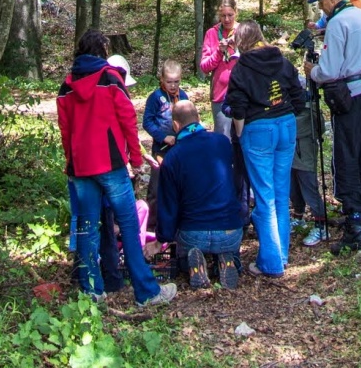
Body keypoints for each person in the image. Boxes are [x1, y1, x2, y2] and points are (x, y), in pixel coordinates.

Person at [57, 28, 177, 308]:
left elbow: (65, 129)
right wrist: (135, 158)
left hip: (81, 166)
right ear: (102, 51)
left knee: (87, 229)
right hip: (110, 163)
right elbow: (127, 120)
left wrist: (70, 160)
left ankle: (91, 292)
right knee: (129, 224)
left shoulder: (67, 85)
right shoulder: (110, 78)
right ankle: (146, 292)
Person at [305, 0, 361, 254]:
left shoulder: (339, 23)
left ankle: (355, 223)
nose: (321, 8)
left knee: (346, 155)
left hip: (350, 95)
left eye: (321, 2)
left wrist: (310, 71)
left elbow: (330, 70)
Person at [226, 21, 305, 278]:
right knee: (281, 194)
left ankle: (271, 263)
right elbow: (298, 95)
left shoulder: (242, 68)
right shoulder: (281, 61)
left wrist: (240, 132)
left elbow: (237, 106)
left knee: (265, 196)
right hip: (286, 125)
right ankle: (281, 254)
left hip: (258, 129)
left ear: (241, 42)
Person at [155, 99, 246, 291]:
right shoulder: (222, 143)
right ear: (198, 118)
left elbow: (168, 205)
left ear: (175, 125)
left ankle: (191, 263)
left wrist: (162, 238)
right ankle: (228, 257)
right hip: (230, 228)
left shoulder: (172, 158)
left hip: (193, 232)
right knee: (227, 243)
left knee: (183, 254)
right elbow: (237, 181)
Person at [142, 59, 187, 230]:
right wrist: (162, 137)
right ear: (162, 79)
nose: (173, 85)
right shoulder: (155, 97)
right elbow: (147, 122)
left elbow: (188, 120)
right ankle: (152, 225)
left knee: (179, 185)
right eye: (169, 81)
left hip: (179, 148)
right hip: (160, 149)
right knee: (156, 186)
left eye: (176, 81)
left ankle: (178, 221)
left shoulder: (183, 96)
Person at [290, 69, 327, 246]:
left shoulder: (308, 108)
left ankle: (321, 224)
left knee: (308, 186)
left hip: (304, 153)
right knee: (293, 185)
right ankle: (298, 215)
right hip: (292, 154)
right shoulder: (292, 105)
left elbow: (303, 127)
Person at [199, 0, 240, 137]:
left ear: (236, 12)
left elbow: (255, 59)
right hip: (221, 95)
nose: (227, 19)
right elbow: (204, 67)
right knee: (224, 138)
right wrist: (219, 51)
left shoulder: (243, 31)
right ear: (219, 15)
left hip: (243, 92)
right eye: (223, 16)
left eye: (230, 15)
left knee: (245, 139)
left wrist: (238, 48)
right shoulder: (212, 33)